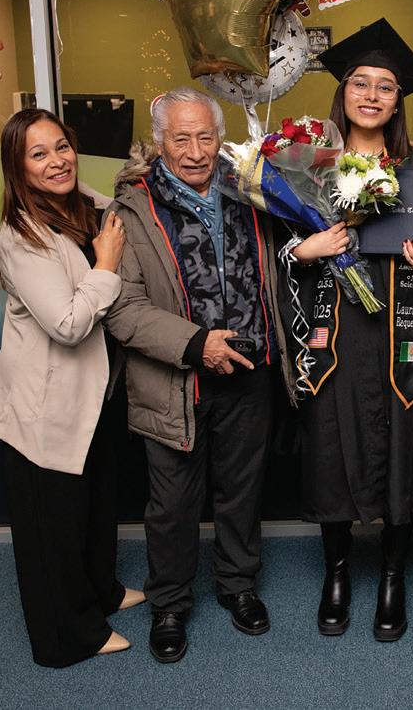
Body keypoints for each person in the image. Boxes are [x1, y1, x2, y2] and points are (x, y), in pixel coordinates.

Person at [104, 87, 293, 663]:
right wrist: (195, 346)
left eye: (205, 137)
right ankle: (169, 604)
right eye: (180, 138)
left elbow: (281, 265)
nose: (194, 151)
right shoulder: (133, 210)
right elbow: (122, 307)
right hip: (173, 380)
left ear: (219, 138)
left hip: (249, 373)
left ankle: (238, 586)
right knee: (172, 504)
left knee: (242, 491)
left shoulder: (250, 191)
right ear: (159, 142)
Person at [283, 19, 413, 642]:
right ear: (343, 90)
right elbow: (278, 253)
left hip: (403, 328)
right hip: (338, 332)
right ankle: (337, 571)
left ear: (398, 100)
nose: (372, 95)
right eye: (360, 82)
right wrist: (306, 249)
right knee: (332, 445)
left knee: (403, 442)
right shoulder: (307, 164)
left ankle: (393, 575)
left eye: (385, 86)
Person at [0, 108, 144, 668]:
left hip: (92, 393)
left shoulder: (80, 204)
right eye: (38, 154)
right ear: (17, 167)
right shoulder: (21, 235)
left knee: (94, 506)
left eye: (62, 146)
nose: (57, 161)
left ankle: (101, 593)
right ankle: (70, 636)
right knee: (52, 526)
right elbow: (67, 323)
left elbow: (119, 207)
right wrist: (106, 265)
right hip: (46, 404)